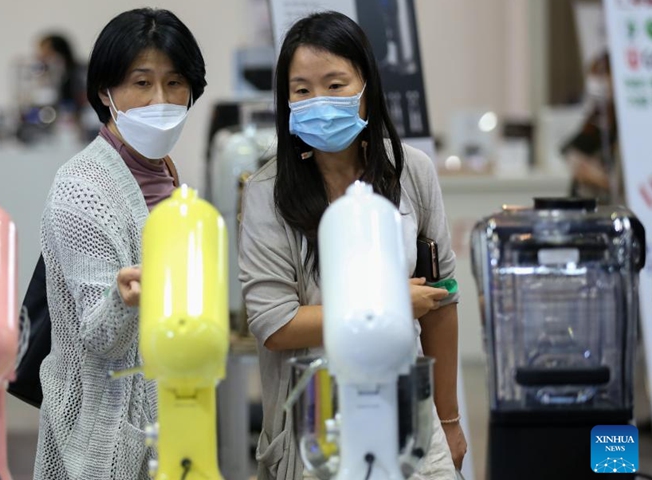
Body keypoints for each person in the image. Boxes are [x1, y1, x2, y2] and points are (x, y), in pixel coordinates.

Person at [237, 11, 467, 480]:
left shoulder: (412, 171)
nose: (319, 101)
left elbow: (441, 302)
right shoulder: (266, 192)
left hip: (410, 421)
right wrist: (389, 304)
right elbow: (274, 324)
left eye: (335, 84)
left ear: (366, 88)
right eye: (302, 90)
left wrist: (448, 420)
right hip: (316, 425)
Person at [32, 9, 206, 479]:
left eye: (174, 83)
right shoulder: (83, 187)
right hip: (102, 436)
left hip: (168, 415)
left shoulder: (166, 173)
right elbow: (99, 337)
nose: (160, 100)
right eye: (141, 82)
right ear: (105, 92)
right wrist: (124, 300)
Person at [561, 51, 623, 205]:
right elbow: (571, 148)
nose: (596, 84)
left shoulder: (624, 124)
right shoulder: (598, 116)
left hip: (609, 204)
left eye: (602, 76)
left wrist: (596, 177)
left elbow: (621, 182)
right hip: (584, 201)